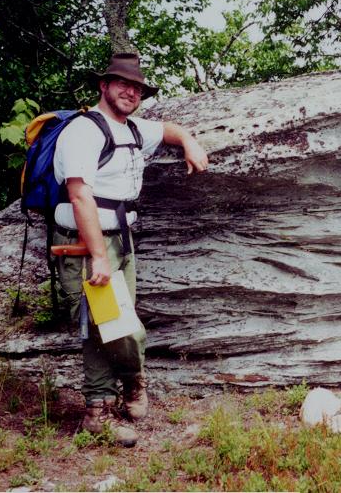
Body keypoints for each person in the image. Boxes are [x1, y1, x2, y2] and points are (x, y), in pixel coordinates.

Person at [52, 53, 208, 446]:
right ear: (103, 85)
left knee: (116, 323)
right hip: (89, 244)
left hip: (121, 240)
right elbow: (79, 194)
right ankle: (100, 409)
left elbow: (168, 129)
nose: (130, 91)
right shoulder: (84, 131)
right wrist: (98, 255)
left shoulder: (134, 127)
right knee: (104, 326)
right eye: (122, 84)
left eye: (137, 88)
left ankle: (126, 389)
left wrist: (188, 140)